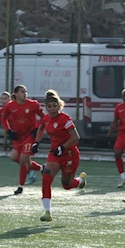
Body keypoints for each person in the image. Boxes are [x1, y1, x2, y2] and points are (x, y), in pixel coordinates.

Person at [31, 90, 86, 222]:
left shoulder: (65, 119)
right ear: (46, 107)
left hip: (70, 155)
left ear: (59, 105)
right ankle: (47, 212)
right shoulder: (46, 118)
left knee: (66, 185)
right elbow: (41, 128)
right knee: (46, 178)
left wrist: (63, 147)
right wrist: (36, 142)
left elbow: (75, 137)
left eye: (54, 106)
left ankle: (80, 181)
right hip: (55, 154)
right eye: (49, 106)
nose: (52, 108)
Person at [0, 85, 45, 195]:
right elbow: (3, 119)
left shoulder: (33, 104)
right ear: (16, 94)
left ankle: (20, 187)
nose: (25, 94)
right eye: (22, 92)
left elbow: (43, 116)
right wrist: (9, 131)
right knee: (14, 157)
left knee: (23, 159)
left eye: (25, 92)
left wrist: (38, 129)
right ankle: (42, 168)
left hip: (30, 136)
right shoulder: (10, 106)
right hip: (19, 137)